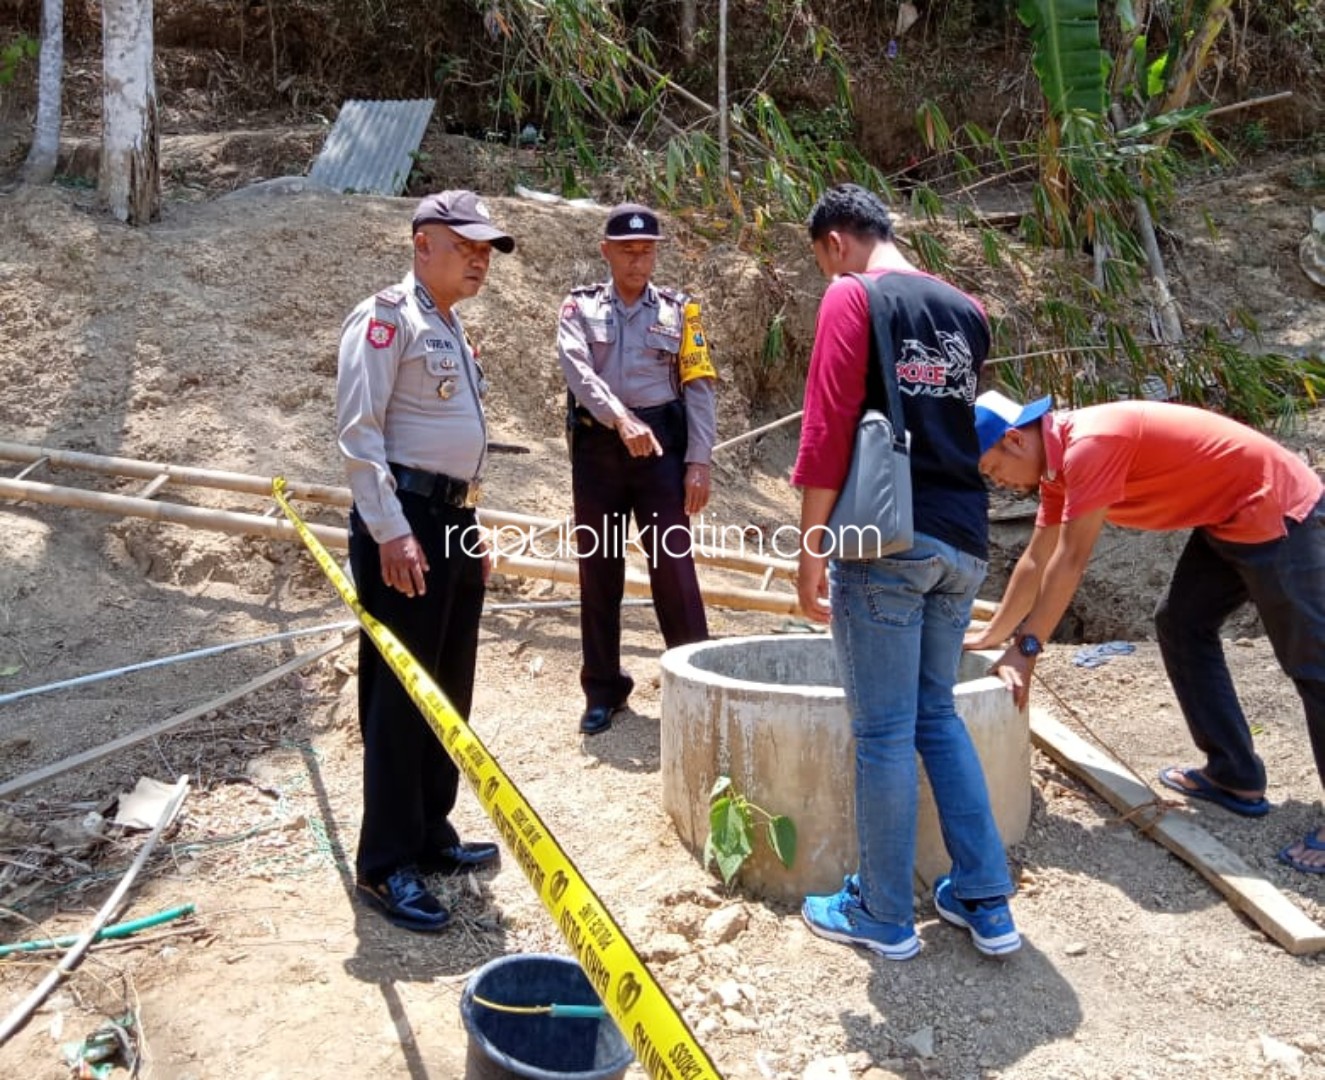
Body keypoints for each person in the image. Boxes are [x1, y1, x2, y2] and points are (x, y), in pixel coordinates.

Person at [793, 183, 1020, 959]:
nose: (828, 274)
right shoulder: (968, 309)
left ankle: (882, 913)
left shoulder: (851, 296)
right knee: (934, 716)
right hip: (964, 541)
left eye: (824, 262)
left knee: (883, 732)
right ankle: (985, 898)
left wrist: (809, 551)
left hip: (886, 537)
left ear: (835, 243)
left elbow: (827, 430)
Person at [968, 391, 1325, 874]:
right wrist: (994, 633)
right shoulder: (1055, 467)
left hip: (1275, 506)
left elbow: (1069, 562)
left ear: (1014, 440)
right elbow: (1037, 558)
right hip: (1229, 515)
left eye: (993, 469)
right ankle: (1234, 775)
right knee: (1180, 624)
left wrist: (1027, 649)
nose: (1000, 483)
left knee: (1313, 664)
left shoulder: (1089, 446)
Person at [335, 190, 511, 931]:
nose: (479, 260)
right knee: (401, 695)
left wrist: (472, 522)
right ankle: (384, 864)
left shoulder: (448, 326)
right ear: (421, 245)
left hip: (453, 520)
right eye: (464, 246)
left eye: (485, 250)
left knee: (448, 685)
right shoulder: (386, 319)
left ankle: (430, 831)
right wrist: (390, 530)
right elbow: (359, 433)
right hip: (407, 523)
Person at [556, 203, 716, 735]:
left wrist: (698, 461)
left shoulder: (680, 311)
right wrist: (620, 419)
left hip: (661, 450)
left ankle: (697, 685)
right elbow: (578, 370)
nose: (637, 261)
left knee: (674, 568)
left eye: (647, 251)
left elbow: (699, 387)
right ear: (606, 251)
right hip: (599, 449)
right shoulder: (578, 308)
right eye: (627, 251)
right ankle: (603, 690)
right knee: (599, 568)